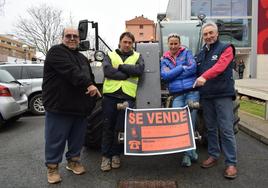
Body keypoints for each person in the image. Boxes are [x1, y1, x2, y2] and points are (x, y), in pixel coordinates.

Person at [42, 27, 101, 184]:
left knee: (77, 138)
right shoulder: (56, 52)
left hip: (80, 107)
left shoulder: (82, 57)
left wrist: (94, 90)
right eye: (68, 36)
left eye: (75, 36)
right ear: (62, 38)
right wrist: (89, 84)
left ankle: (73, 161)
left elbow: (90, 76)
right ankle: (52, 168)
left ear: (79, 39)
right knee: (55, 139)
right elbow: (71, 71)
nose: (72, 38)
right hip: (59, 106)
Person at [193, 21, 238, 179]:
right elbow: (192, 69)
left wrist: (204, 76)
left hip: (222, 95)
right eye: (205, 34)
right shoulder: (200, 54)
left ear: (217, 33)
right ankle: (213, 154)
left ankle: (231, 163)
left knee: (226, 129)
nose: (208, 36)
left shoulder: (226, 48)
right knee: (210, 128)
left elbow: (220, 66)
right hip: (206, 96)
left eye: (211, 33)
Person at [101, 32, 144, 172]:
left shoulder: (137, 56)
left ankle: (116, 155)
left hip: (127, 97)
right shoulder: (110, 55)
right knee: (108, 126)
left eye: (130, 43)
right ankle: (106, 157)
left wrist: (120, 67)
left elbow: (139, 70)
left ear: (133, 44)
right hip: (110, 96)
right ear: (120, 42)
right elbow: (107, 71)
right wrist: (126, 74)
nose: (127, 45)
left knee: (120, 128)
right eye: (125, 42)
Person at [160, 33, 199, 167]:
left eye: (176, 43)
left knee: (190, 123)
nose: (173, 46)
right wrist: (181, 68)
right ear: (168, 44)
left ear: (179, 43)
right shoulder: (164, 59)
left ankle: (187, 156)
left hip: (191, 92)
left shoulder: (187, 53)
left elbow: (193, 68)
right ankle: (192, 152)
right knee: (179, 124)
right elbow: (165, 76)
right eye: (171, 43)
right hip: (177, 95)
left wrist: (174, 74)